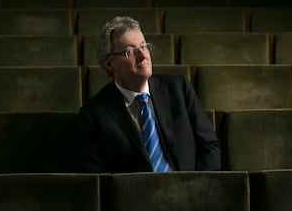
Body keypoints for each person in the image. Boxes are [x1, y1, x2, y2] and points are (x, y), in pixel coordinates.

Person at [78, 16, 221, 173]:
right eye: (130, 51)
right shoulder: (93, 114)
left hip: (190, 189)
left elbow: (209, 146)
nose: (143, 55)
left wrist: (195, 188)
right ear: (110, 65)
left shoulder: (179, 88)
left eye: (144, 46)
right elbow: (97, 176)